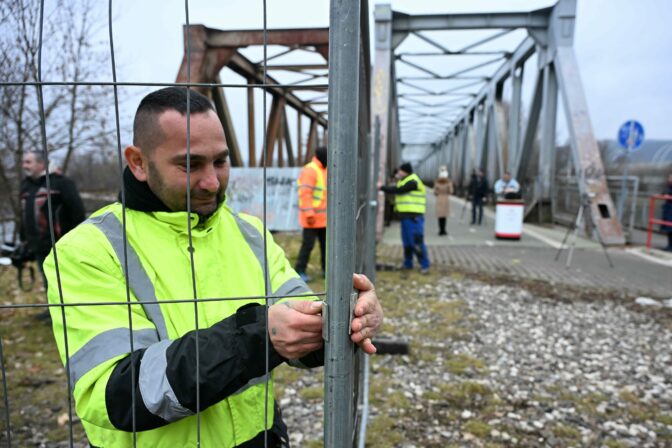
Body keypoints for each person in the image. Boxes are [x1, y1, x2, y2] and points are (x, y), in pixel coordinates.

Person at [43, 87, 383, 448]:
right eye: (190, 164)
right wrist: (259, 339)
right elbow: (115, 394)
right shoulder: (85, 251)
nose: (211, 182)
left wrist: (344, 317)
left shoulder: (249, 232)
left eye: (220, 162)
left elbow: (298, 314)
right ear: (138, 162)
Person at [20, 150, 85, 311]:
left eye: (28, 162)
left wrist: (75, 240)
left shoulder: (61, 183)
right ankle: (53, 311)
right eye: (24, 162)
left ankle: (70, 312)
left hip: (60, 244)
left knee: (64, 280)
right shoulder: (26, 185)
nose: (24, 166)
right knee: (47, 278)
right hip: (38, 244)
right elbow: (24, 214)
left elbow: (77, 212)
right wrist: (24, 238)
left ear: (41, 163)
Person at [380, 162, 430, 274]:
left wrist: (382, 187)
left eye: (400, 171)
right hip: (406, 217)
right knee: (407, 242)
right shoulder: (404, 180)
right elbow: (398, 188)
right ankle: (408, 263)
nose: (398, 173)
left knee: (417, 241)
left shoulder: (413, 181)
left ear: (405, 171)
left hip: (414, 217)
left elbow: (399, 190)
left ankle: (424, 264)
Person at [294, 146, 327, 282]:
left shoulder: (324, 169)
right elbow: (305, 194)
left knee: (326, 246)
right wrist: (309, 215)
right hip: (312, 219)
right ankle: (299, 270)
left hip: (324, 219)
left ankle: (327, 270)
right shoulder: (310, 170)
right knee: (307, 246)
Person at [433, 165, 453, 236]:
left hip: (439, 199)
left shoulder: (437, 182)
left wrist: (439, 193)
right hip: (445, 199)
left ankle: (440, 230)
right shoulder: (448, 182)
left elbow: (435, 192)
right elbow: (451, 191)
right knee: (444, 216)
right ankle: (444, 230)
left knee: (440, 216)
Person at [662, 173, 672, 251]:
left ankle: (670, 246)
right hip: (668, 209)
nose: (669, 179)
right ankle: (669, 246)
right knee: (668, 229)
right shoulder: (668, 186)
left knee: (670, 228)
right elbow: (663, 192)